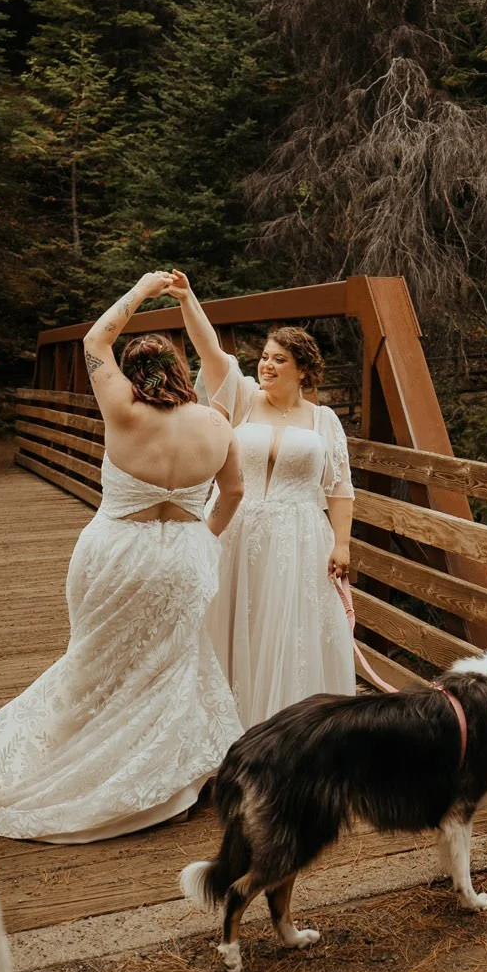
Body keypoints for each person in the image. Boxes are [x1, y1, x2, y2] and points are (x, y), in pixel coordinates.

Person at [0, 272, 247, 843]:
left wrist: (140, 291)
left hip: (117, 555)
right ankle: (165, 781)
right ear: (177, 374)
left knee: (96, 659)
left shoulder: (122, 410)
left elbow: (95, 341)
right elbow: (235, 492)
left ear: (134, 376)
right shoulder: (217, 423)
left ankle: (79, 762)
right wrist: (203, 537)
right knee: (170, 662)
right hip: (186, 558)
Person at [171, 271, 360, 724]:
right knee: (233, 627)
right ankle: (223, 731)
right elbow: (208, 349)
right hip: (238, 531)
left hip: (299, 541)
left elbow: (339, 488)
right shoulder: (240, 398)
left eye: (279, 360)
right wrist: (187, 297)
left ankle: (287, 733)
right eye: (265, 357)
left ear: (303, 370)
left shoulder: (324, 421)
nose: (267, 365)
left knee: (286, 635)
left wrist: (342, 543)